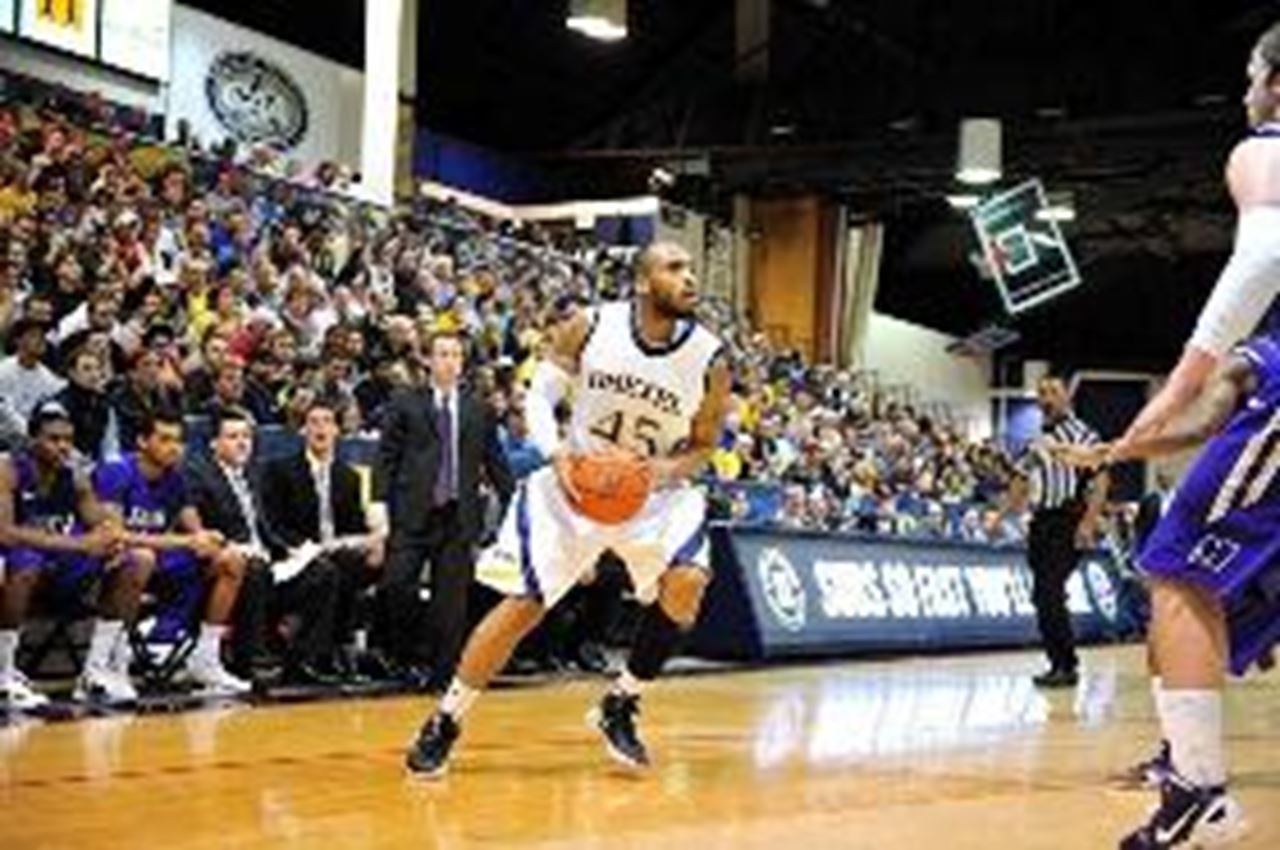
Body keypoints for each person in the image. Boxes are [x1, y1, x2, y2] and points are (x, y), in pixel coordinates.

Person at [405, 241, 731, 778]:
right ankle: (446, 720)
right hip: (576, 482)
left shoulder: (710, 358)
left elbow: (703, 443)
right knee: (522, 607)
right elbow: (538, 397)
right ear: (645, 282)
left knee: (690, 581)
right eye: (676, 268)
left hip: (652, 492)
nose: (690, 278)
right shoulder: (591, 325)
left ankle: (621, 702)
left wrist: (664, 472)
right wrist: (556, 454)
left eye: (691, 268)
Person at [372, 329, 514, 686]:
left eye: (455, 355)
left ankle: (442, 672)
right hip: (412, 512)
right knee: (396, 585)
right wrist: (378, 504)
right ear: (428, 360)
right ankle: (404, 657)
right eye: (442, 354)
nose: (449, 361)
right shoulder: (405, 401)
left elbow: (495, 463)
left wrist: (514, 509)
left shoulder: (478, 409)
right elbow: (386, 457)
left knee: (450, 602)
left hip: (457, 515)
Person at [92, 410, 251, 697]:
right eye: (164, 439)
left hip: (159, 562)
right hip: (109, 562)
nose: (173, 447)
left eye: (178, 441)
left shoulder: (176, 477)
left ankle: (205, 658)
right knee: (142, 557)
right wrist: (185, 541)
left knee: (230, 560)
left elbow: (195, 532)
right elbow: (112, 535)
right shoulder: (116, 470)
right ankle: (104, 664)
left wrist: (208, 539)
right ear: (142, 441)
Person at [183, 407, 342, 685]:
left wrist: (294, 549)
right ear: (214, 443)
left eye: (246, 436)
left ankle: (304, 659)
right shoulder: (199, 476)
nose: (242, 442)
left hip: (267, 562)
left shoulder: (255, 474)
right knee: (254, 569)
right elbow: (202, 531)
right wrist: (237, 547)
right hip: (226, 567)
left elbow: (267, 529)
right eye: (233, 436)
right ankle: (252, 659)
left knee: (323, 573)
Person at [0, 402, 132, 709]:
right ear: (32, 440)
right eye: (53, 439)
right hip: (13, 560)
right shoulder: (8, 469)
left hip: (56, 563)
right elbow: (5, 532)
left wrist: (112, 539)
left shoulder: (75, 475)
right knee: (25, 564)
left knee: (133, 561)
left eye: (68, 440)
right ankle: (4, 672)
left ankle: (97, 669)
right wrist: (80, 544)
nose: (63, 446)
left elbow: (99, 521)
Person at [262, 397, 385, 677]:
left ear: (337, 431)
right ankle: (315, 654)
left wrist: (373, 542)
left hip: (334, 552)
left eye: (327, 422)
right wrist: (306, 549)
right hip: (296, 556)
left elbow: (352, 525)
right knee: (330, 572)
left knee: (377, 564)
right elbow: (273, 524)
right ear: (303, 430)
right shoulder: (279, 470)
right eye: (314, 422)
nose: (321, 428)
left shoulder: (348, 476)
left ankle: (361, 649)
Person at [1021, 376, 1109, 688]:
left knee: (1049, 590)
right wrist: (1004, 515)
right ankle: (1057, 661)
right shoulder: (1036, 440)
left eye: (1053, 392)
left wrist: (1087, 522)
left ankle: (1066, 664)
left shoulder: (1083, 434)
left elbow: (1100, 480)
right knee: (1042, 594)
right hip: (1040, 521)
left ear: (1066, 397)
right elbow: (1022, 479)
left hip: (1067, 519)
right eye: (1041, 392)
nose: (1046, 398)